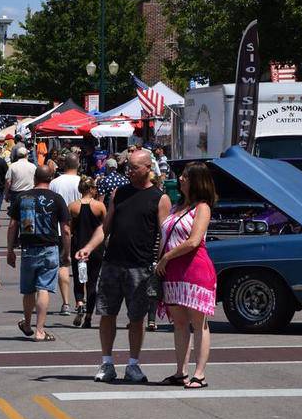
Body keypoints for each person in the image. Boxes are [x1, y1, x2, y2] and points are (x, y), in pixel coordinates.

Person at [76, 150, 171, 383]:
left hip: (140, 266)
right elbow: (105, 227)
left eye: (134, 167)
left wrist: (160, 263)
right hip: (112, 263)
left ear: (148, 167)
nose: (129, 171)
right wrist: (89, 247)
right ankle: (107, 363)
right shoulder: (119, 192)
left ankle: (133, 365)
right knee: (106, 314)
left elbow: (165, 234)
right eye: (127, 166)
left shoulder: (160, 198)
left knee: (136, 318)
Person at [157, 162, 216, 389]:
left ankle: (199, 374)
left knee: (199, 322)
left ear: (196, 181)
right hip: (172, 271)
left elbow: (194, 241)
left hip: (195, 269)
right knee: (180, 323)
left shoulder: (202, 207)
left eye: (185, 176)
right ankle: (181, 371)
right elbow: (165, 235)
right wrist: (162, 260)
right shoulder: (176, 206)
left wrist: (166, 257)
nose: (180, 179)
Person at [7, 166, 70, 342]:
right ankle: (40, 330)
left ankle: (27, 324)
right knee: (43, 289)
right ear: (50, 179)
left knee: (28, 290)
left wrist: (10, 249)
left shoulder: (23, 197)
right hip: (50, 247)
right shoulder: (56, 199)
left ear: (34, 178)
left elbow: (13, 226)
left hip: (28, 248)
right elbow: (65, 229)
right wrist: (67, 252)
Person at [68, 176, 106, 329]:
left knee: (78, 278)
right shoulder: (99, 206)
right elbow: (105, 227)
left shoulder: (72, 206)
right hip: (95, 248)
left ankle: (79, 303)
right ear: (91, 189)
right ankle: (89, 315)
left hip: (78, 245)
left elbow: (69, 228)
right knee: (92, 281)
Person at [49, 153, 82, 316]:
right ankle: (81, 301)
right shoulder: (83, 182)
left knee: (63, 264)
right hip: (80, 229)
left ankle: (66, 303)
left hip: (59, 229)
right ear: (78, 165)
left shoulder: (54, 183)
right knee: (82, 265)